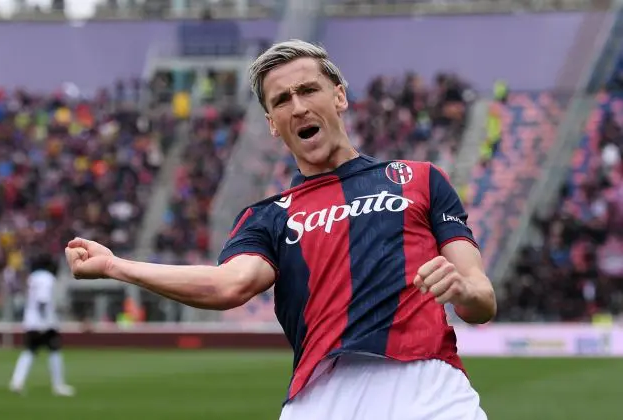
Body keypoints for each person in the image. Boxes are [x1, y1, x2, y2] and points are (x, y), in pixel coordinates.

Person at [65, 39, 496, 419]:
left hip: (426, 385)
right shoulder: (268, 216)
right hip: (323, 397)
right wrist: (117, 267)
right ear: (272, 123)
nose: (299, 106)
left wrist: (461, 287)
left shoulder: (419, 179)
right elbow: (229, 286)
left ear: (340, 96)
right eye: (282, 100)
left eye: (309, 90)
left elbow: (482, 300)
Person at [10, 253, 75, 396]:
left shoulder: (33, 277)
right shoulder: (47, 278)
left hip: (30, 320)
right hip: (44, 323)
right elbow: (43, 300)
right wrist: (45, 322)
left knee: (29, 351)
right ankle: (58, 385)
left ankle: (17, 382)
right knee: (55, 351)